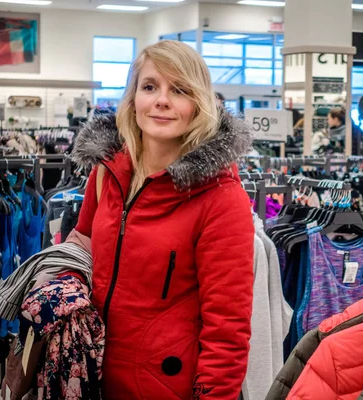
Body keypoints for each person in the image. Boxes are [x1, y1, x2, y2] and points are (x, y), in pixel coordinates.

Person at [70, 41, 254, 399]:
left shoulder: (220, 197)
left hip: (167, 386)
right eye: (150, 86)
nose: (162, 101)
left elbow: (227, 332)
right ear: (133, 97)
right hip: (90, 376)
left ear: (199, 104)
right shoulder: (107, 173)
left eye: (179, 90)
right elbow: (79, 249)